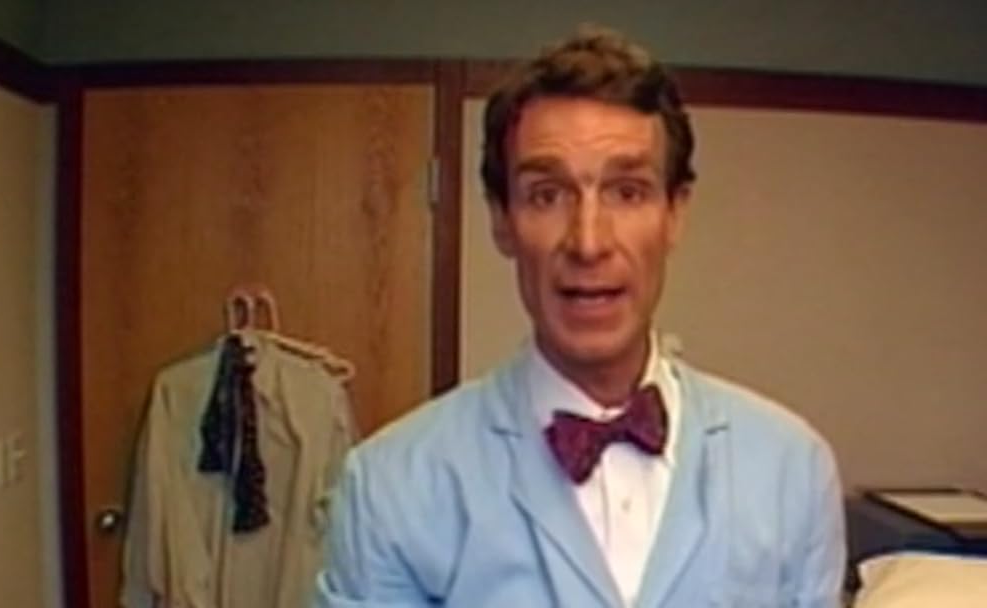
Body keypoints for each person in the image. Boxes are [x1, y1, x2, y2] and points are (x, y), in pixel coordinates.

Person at [313, 26, 846, 608]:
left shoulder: (792, 471)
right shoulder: (390, 489)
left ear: (675, 213)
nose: (589, 242)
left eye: (627, 192)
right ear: (502, 220)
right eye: (547, 194)